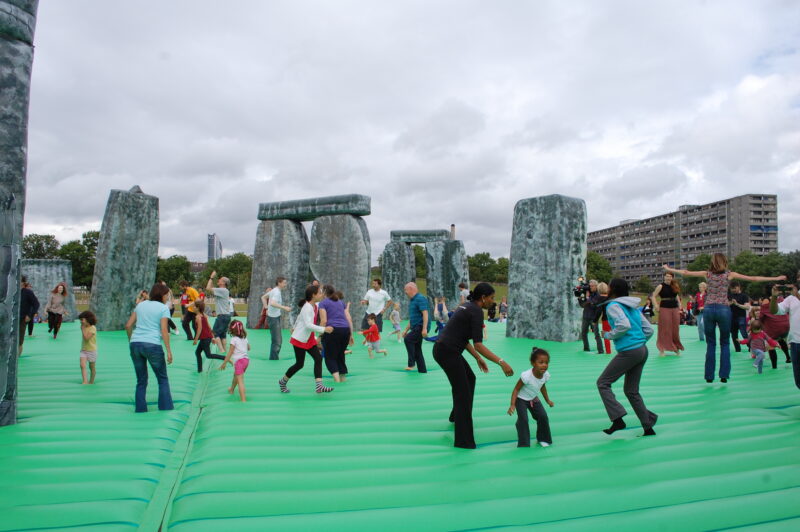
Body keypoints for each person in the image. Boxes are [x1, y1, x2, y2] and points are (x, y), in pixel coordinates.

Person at [664, 255, 784, 383]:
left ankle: (709, 377)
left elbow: (686, 273)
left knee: (711, 343)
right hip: (723, 309)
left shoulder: (707, 274)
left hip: (709, 309)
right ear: (724, 262)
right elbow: (753, 278)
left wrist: (668, 268)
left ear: (712, 262)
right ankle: (724, 375)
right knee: (725, 343)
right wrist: (775, 278)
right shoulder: (729, 274)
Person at [433, 282, 514, 449]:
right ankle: (464, 441)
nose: (493, 301)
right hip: (447, 352)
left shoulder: (466, 306)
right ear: (483, 298)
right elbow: (478, 344)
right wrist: (501, 362)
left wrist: (477, 358)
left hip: (445, 349)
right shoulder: (476, 312)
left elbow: (462, 338)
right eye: (491, 298)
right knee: (462, 393)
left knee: (470, 378)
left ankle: (456, 416)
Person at [597, 278, 658, 437]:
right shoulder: (632, 307)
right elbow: (649, 330)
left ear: (613, 289)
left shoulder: (613, 306)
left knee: (603, 383)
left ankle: (617, 418)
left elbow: (624, 325)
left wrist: (609, 335)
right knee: (631, 391)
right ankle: (648, 425)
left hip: (630, 351)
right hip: (642, 350)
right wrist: (638, 342)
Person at [124, 282, 174, 413]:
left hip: (136, 344)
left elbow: (128, 325)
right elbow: (164, 330)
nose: (167, 298)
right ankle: (165, 407)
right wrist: (169, 350)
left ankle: (140, 408)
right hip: (152, 344)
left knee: (141, 380)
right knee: (162, 378)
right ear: (162, 295)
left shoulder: (140, 305)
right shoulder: (163, 308)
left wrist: (131, 340)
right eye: (167, 295)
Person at [278, 284, 334, 394]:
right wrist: (324, 329)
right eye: (319, 293)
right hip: (300, 339)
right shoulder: (307, 307)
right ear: (313, 295)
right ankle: (282, 381)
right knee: (299, 364)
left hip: (308, 338)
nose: (321, 294)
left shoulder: (315, 305)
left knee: (318, 358)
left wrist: (294, 327)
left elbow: (299, 317)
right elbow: (308, 325)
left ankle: (319, 386)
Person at [507, 347, 554, 448]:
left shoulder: (545, 375)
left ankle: (543, 439)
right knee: (523, 419)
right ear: (533, 363)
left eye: (546, 362)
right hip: (521, 399)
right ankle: (524, 443)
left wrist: (547, 400)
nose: (544, 365)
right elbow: (516, 389)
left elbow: (542, 386)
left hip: (533, 398)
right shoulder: (527, 376)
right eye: (541, 362)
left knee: (543, 416)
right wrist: (512, 404)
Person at [318, 284, 354, 382]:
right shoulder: (341, 302)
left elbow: (324, 321)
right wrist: (351, 334)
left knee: (330, 357)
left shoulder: (323, 303)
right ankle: (343, 378)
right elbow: (349, 319)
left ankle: (337, 380)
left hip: (332, 331)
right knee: (340, 355)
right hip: (345, 331)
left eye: (321, 291)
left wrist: (320, 335)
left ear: (324, 292)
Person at [770, 280, 800, 389]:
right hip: (795, 343)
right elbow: (774, 311)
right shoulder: (791, 298)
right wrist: (774, 297)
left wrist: (796, 294)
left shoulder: (795, 295)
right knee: (798, 381)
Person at [652, 272, 684, 356]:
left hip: (674, 308)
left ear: (672, 278)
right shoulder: (660, 286)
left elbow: (676, 296)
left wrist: (680, 304)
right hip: (664, 308)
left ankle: (676, 348)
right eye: (666, 276)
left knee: (675, 328)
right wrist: (656, 305)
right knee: (665, 328)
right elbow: (653, 296)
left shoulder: (674, 285)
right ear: (664, 277)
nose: (668, 278)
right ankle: (662, 349)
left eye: (670, 276)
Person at [219, 320, 250, 402]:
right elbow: (249, 348)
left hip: (239, 362)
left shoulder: (234, 339)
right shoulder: (244, 337)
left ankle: (243, 400)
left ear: (232, 330)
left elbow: (230, 352)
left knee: (240, 381)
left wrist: (224, 363)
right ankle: (231, 389)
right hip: (246, 361)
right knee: (236, 375)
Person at [402, 282, 429, 373]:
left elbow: (425, 314)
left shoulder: (420, 298)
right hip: (415, 327)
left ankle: (411, 363)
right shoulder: (412, 300)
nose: (405, 292)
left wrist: (424, 328)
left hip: (420, 326)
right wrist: (406, 329)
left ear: (411, 289)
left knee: (408, 339)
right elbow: (413, 318)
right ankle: (422, 370)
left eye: (406, 290)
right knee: (417, 349)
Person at [192, 300, 225, 372]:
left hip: (205, 339)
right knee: (197, 352)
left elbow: (199, 329)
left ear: (197, 308)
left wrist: (195, 339)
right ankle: (199, 370)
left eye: (194, 306)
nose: (193, 307)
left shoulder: (198, 317)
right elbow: (209, 327)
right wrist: (212, 337)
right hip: (206, 338)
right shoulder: (204, 315)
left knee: (208, 355)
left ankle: (225, 358)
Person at [205, 271, 233, 354]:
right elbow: (211, 288)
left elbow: (208, 288)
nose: (218, 280)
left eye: (220, 280)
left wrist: (211, 277)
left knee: (214, 333)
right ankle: (225, 351)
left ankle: (221, 350)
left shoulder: (222, 290)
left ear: (224, 283)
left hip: (222, 316)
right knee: (223, 335)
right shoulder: (223, 290)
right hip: (226, 316)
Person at [759, 297, 790, 367]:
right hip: (785, 327)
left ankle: (774, 366)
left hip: (774, 329)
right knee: (780, 338)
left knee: (771, 345)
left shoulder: (765, 305)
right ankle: (788, 357)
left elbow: (761, 318)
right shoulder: (782, 300)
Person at [265, 277, 292, 360]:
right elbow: (273, 303)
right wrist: (284, 307)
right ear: (279, 283)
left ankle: (273, 357)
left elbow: (263, 297)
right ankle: (274, 358)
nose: (285, 285)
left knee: (276, 339)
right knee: (277, 341)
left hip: (274, 317)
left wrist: (266, 308)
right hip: (273, 318)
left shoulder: (274, 290)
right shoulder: (276, 292)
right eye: (284, 283)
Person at [579, 280, 604, 354]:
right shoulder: (587, 294)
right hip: (586, 316)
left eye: (592, 286)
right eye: (590, 286)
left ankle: (600, 350)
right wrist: (580, 299)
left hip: (594, 317)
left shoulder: (598, 295)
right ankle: (586, 348)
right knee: (583, 333)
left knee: (596, 334)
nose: (590, 287)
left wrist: (587, 298)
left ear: (596, 286)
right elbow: (582, 305)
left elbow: (594, 304)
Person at [19, 276, 39, 354]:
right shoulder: (10, 291)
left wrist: (30, 315)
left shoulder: (28, 292)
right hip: (10, 319)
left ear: (23, 283)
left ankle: (17, 358)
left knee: (19, 339)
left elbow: (36, 304)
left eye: (19, 281)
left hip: (22, 319)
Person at [729, 281, 751, 352]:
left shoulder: (744, 296)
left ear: (739, 287)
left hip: (741, 317)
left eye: (734, 288)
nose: (733, 290)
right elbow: (725, 305)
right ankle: (737, 349)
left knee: (744, 333)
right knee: (734, 335)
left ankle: (751, 347)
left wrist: (737, 304)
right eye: (732, 288)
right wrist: (730, 303)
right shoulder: (729, 295)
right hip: (731, 317)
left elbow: (747, 307)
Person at [78, 310, 98, 384]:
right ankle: (85, 381)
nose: (81, 322)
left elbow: (86, 338)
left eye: (82, 320)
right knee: (82, 365)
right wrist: (83, 329)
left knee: (91, 367)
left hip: (92, 351)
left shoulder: (93, 328)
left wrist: (82, 330)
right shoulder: (84, 327)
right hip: (83, 350)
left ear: (87, 319)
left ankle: (91, 381)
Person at [596, 282, 612, 355]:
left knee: (606, 335)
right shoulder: (610, 297)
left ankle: (608, 351)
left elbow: (599, 311)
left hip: (605, 319)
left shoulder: (599, 298)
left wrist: (595, 320)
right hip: (614, 318)